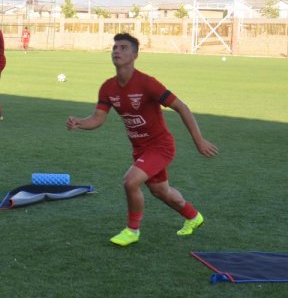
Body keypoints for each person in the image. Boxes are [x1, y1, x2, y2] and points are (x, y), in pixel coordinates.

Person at [66, 33, 219, 246]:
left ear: (135, 55)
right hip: (140, 149)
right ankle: (194, 217)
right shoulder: (108, 87)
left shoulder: (147, 83)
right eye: (115, 47)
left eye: (123, 48)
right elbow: (97, 118)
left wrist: (199, 140)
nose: (117, 51)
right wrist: (80, 123)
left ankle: (132, 231)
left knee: (130, 181)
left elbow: (181, 107)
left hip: (160, 146)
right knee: (160, 191)